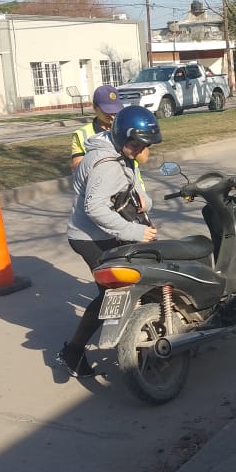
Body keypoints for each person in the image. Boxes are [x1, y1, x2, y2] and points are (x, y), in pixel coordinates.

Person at [58, 105, 162, 378]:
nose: (141, 150)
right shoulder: (107, 166)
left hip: (105, 232)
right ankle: (73, 352)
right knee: (111, 295)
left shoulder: (118, 151)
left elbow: (136, 190)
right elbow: (95, 209)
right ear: (122, 136)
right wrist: (135, 232)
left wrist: (143, 202)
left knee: (129, 283)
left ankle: (134, 333)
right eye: (137, 144)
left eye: (145, 145)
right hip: (89, 237)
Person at [70, 85, 124, 171]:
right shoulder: (81, 134)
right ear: (94, 107)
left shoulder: (124, 128)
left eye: (115, 110)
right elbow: (76, 166)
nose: (112, 114)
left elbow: (142, 157)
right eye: (107, 110)